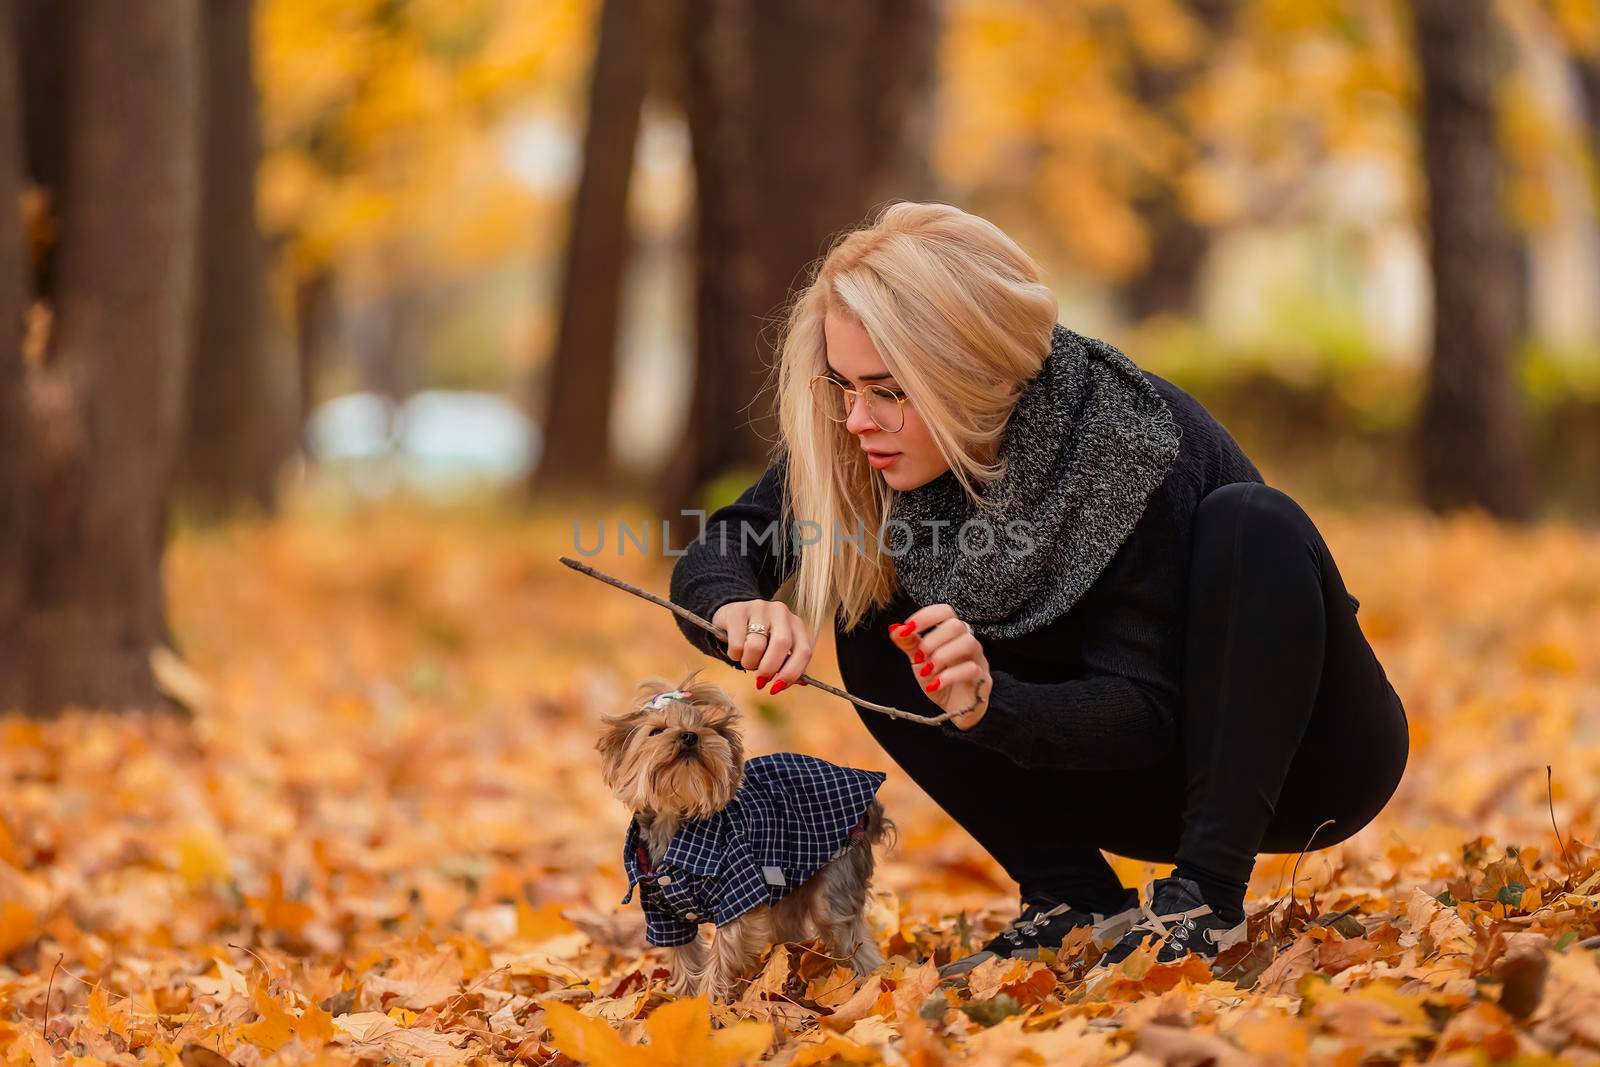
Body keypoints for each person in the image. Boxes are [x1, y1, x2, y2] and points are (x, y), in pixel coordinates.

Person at [667, 200, 1409, 974]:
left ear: (976, 371)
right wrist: (735, 603)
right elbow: (727, 542)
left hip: (1306, 760)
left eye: (888, 389)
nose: (857, 419)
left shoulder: (1131, 441)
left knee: (1256, 522)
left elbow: (1145, 713)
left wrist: (995, 704)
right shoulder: (866, 444)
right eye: (844, 386)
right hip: (1125, 783)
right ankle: (1074, 901)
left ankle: (1205, 902)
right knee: (874, 611)